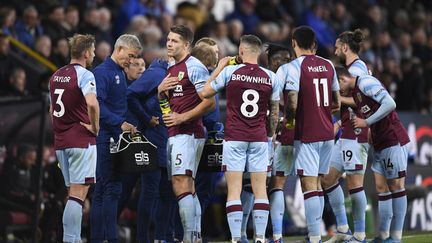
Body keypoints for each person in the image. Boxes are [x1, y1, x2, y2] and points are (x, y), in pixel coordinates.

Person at [200, 34, 280, 243]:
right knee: (260, 189)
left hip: (234, 137)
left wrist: (219, 67)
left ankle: (236, 238)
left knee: (234, 190)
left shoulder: (230, 72)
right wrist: (269, 135)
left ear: (241, 51)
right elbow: (274, 111)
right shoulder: (271, 76)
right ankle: (261, 238)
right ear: (260, 52)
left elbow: (204, 93)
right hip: (259, 138)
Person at [277, 26, 340, 243]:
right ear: (314, 44)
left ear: (293, 42)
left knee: (309, 185)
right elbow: (337, 102)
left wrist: (290, 121)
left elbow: (292, 102)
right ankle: (316, 234)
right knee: (318, 184)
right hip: (327, 131)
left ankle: (314, 238)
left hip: (307, 134)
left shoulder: (291, 67)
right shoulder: (329, 65)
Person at [336, 66, 409, 243]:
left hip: (392, 138)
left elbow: (390, 104)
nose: (338, 90)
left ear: (343, 79)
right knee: (382, 188)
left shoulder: (366, 82)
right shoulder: (356, 92)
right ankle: (383, 235)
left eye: (338, 85)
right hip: (378, 141)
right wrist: (370, 129)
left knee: (396, 186)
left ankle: (396, 237)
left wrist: (366, 122)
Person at [157, 25, 215, 243]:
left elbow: (209, 102)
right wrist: (160, 94)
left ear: (186, 45)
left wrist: (183, 117)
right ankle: (195, 237)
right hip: (175, 133)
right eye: (168, 39)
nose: (169, 44)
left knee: (181, 183)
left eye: (174, 41)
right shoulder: (172, 67)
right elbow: (166, 110)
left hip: (189, 133)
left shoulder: (194, 67)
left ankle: (189, 238)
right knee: (186, 186)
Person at [48, 34, 99, 243]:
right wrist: (95, 127)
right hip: (81, 140)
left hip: (61, 142)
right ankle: (71, 239)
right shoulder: (85, 75)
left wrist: (60, 130)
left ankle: (73, 238)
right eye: (93, 51)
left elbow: (52, 110)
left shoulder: (56, 75)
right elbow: (93, 104)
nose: (94, 54)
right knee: (78, 194)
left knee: (72, 193)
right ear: (86, 53)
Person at [90, 34, 141, 243]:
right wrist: (119, 124)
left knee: (105, 190)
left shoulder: (119, 72)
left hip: (116, 138)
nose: (131, 61)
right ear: (119, 49)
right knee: (110, 188)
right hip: (106, 138)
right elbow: (97, 105)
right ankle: (109, 238)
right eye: (130, 56)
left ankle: (99, 238)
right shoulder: (102, 73)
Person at [322, 29, 371, 243]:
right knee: (327, 178)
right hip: (345, 132)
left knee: (354, 183)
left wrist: (340, 105)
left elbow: (366, 98)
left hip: (357, 132)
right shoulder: (350, 68)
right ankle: (342, 229)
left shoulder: (358, 69)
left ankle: (359, 234)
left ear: (344, 47)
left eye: (336, 46)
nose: (334, 50)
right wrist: (339, 120)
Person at [122, 56, 172, 243]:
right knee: (144, 191)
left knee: (167, 193)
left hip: (168, 143)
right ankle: (141, 238)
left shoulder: (178, 73)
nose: (141, 69)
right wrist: (147, 119)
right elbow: (131, 96)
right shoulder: (157, 73)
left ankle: (162, 237)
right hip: (148, 142)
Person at [266, 43, 294, 243]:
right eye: (280, 59)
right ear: (269, 61)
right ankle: (243, 233)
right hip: (262, 139)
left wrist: (288, 124)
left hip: (284, 139)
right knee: (254, 186)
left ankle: (277, 236)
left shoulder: (291, 80)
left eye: (287, 60)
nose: (284, 63)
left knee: (277, 184)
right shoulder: (263, 78)